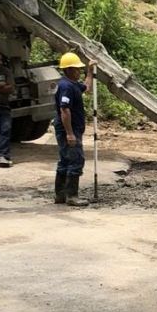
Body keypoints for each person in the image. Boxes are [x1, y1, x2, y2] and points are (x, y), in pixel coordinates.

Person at [53, 52, 96, 206]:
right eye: (77, 69)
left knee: (65, 160)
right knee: (76, 160)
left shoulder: (73, 84)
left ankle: (60, 195)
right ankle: (72, 196)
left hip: (73, 128)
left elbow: (87, 87)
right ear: (69, 69)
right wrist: (70, 133)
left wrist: (90, 72)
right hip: (68, 129)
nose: (79, 71)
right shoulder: (65, 86)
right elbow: (65, 110)